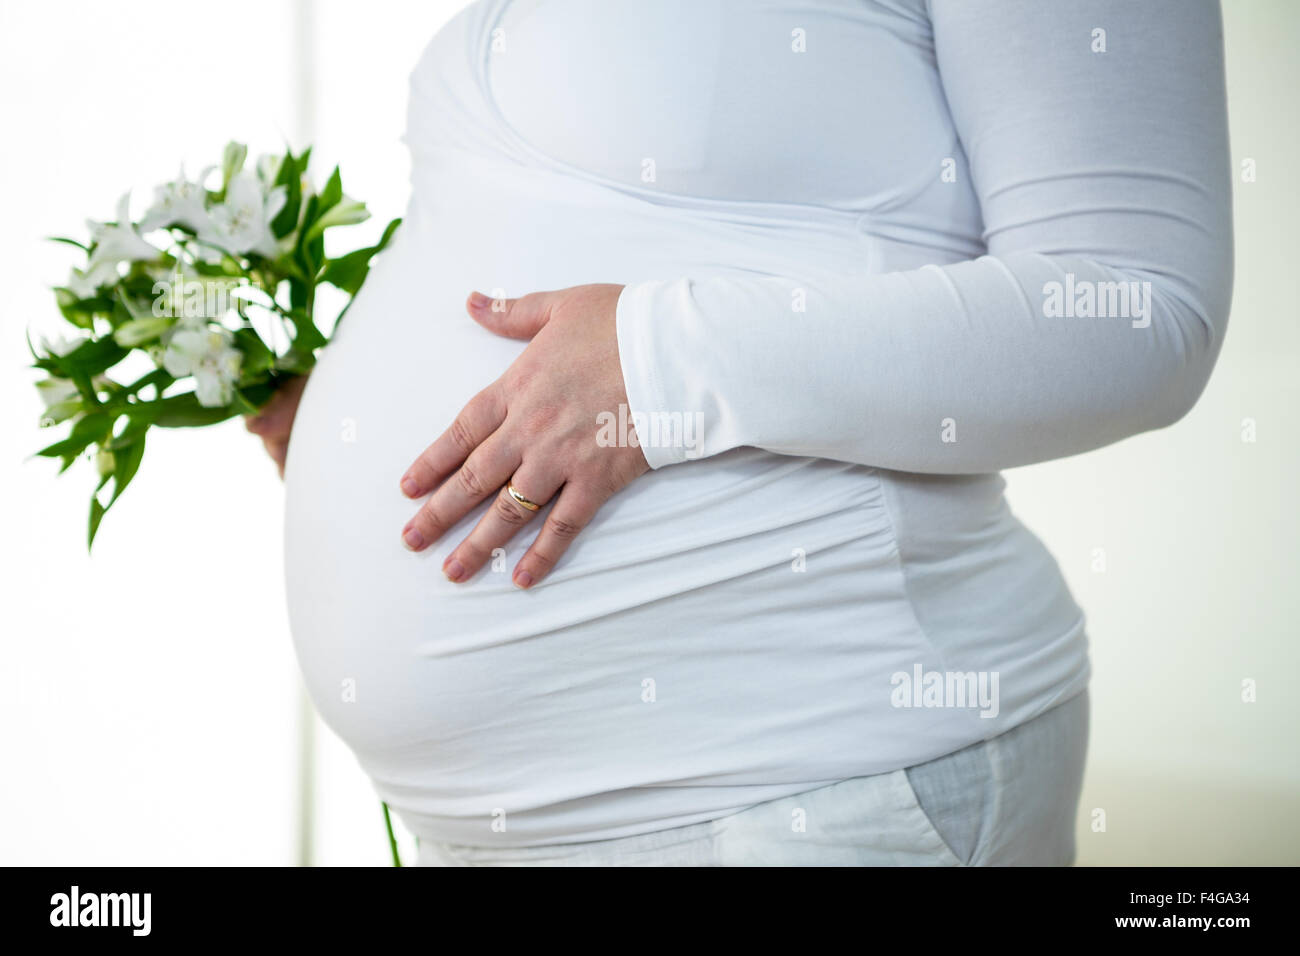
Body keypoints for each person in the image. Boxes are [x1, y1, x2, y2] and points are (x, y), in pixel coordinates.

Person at [248, 0, 1232, 865]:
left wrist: (653, 362)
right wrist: (372, 421)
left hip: (798, 792)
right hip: (483, 825)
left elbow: (1132, 308)